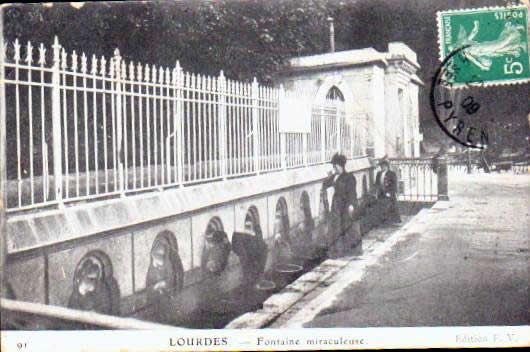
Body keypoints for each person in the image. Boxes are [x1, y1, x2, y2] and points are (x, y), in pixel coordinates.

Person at [321, 153, 360, 250]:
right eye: (334, 166)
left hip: (346, 204)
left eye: (335, 166)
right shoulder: (335, 176)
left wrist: (351, 205)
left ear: (341, 165)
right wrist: (329, 177)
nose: (334, 168)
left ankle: (349, 249)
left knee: (346, 226)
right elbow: (325, 184)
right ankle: (338, 250)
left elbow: (352, 192)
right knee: (336, 227)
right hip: (336, 205)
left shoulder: (349, 177)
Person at [375, 160, 401, 224]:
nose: (382, 167)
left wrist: (390, 192)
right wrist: (376, 192)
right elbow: (377, 184)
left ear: (387, 166)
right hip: (381, 193)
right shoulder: (379, 174)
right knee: (381, 206)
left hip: (390, 192)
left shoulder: (391, 173)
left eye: (384, 166)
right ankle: (383, 220)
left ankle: (393, 220)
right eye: (381, 166)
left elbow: (394, 184)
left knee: (391, 206)